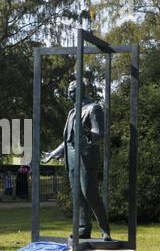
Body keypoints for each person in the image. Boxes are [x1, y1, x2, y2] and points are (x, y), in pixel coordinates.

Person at [44, 81, 111, 241]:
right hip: (72, 158)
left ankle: (105, 230)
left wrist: (88, 134)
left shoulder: (93, 108)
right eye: (69, 91)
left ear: (81, 90)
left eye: (72, 91)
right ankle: (83, 229)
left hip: (87, 156)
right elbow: (68, 140)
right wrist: (53, 153)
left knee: (90, 193)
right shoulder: (72, 112)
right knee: (78, 195)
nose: (69, 94)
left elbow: (99, 132)